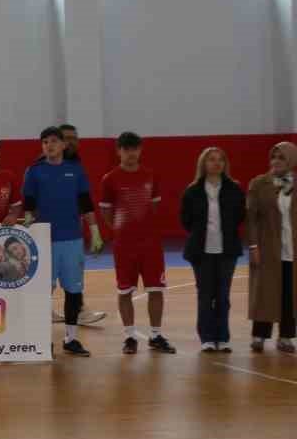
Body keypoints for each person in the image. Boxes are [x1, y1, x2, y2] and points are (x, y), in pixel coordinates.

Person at [23, 126, 100, 357]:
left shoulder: (75, 170)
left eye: (54, 141)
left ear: (63, 145)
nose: (49, 145)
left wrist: (95, 230)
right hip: (43, 241)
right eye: (45, 142)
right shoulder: (34, 172)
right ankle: (42, 341)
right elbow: (28, 203)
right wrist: (28, 220)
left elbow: (86, 203)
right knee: (42, 292)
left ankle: (71, 339)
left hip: (72, 241)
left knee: (73, 291)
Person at [100, 133, 173, 354]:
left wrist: (144, 229)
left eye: (135, 149)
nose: (131, 153)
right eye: (126, 149)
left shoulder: (151, 175)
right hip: (124, 247)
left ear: (140, 150)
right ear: (119, 151)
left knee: (156, 289)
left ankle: (156, 335)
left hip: (151, 245)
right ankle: (130, 336)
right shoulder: (110, 179)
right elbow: (106, 211)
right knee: (125, 291)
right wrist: (121, 231)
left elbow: (154, 207)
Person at [179, 147, 245, 353]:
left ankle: (223, 337)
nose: (216, 163)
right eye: (211, 159)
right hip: (201, 252)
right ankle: (207, 338)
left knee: (223, 296)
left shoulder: (234, 189)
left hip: (227, 252)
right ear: (203, 164)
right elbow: (186, 220)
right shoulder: (192, 191)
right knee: (205, 296)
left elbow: (240, 216)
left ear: (225, 164)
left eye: (220, 160)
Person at [45, 125, 107, 327]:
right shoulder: (41, 166)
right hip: (48, 232)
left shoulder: (75, 165)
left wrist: (94, 231)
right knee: (46, 277)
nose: (71, 142)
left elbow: (85, 201)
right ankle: (43, 310)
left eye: (75, 138)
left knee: (74, 274)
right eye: (67, 138)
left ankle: (79, 310)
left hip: (71, 232)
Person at [246, 141, 297, 353]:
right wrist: (253, 246)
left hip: (292, 248)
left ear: (291, 160)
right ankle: (259, 335)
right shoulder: (259, 183)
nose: (276, 161)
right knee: (264, 291)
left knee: (290, 293)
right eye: (273, 157)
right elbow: (251, 219)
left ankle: (286, 336)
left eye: (281, 157)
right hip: (267, 247)